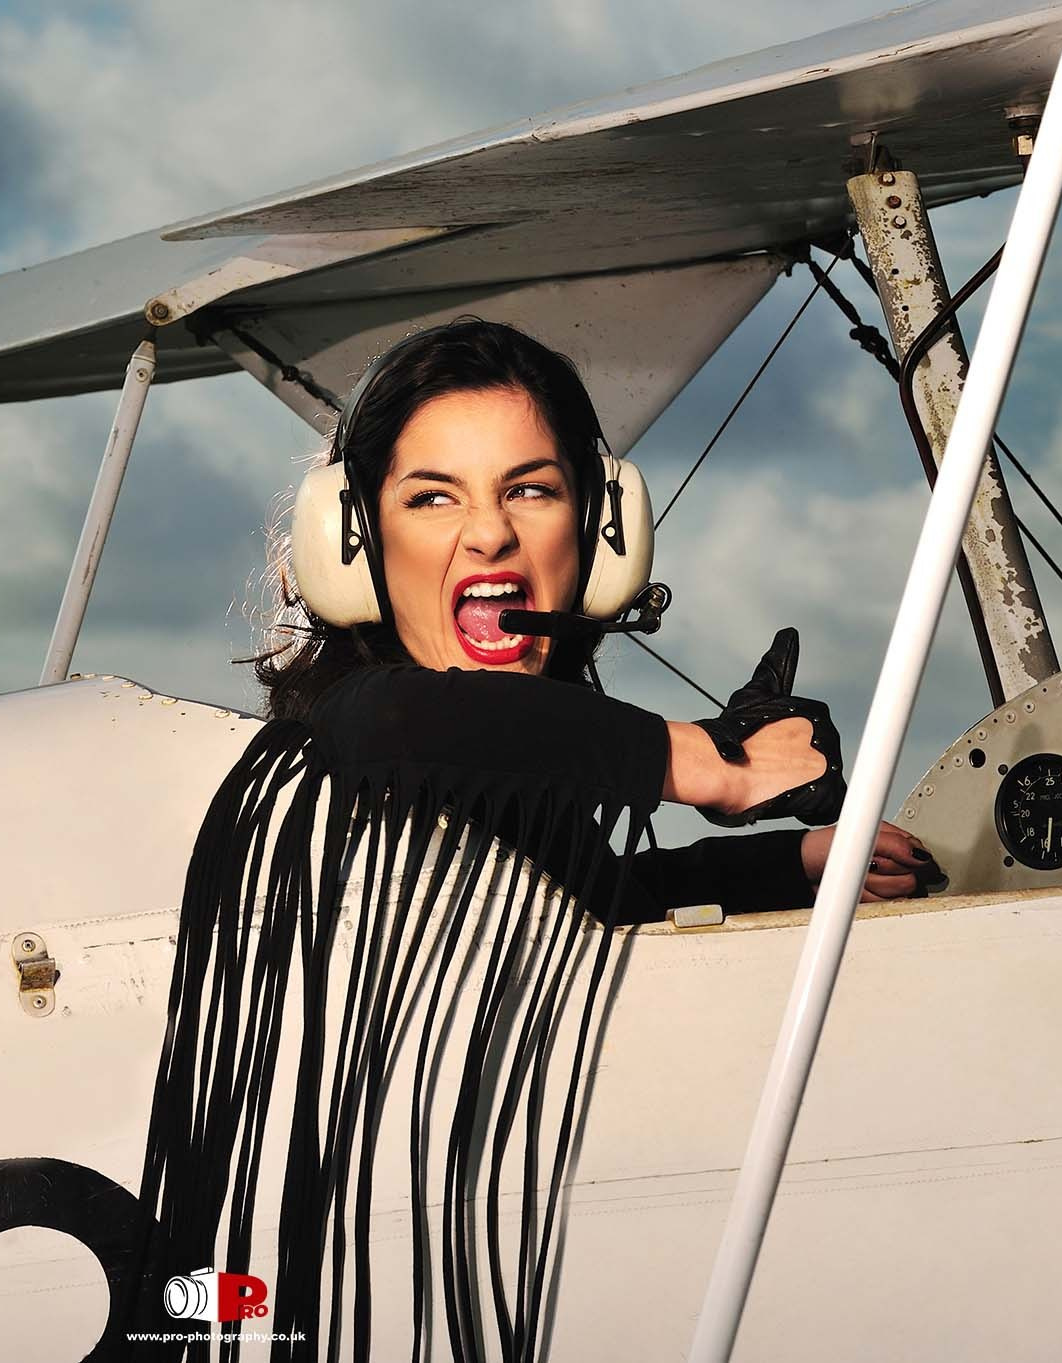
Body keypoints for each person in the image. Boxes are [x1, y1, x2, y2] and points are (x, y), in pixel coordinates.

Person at [133, 320, 935, 1360]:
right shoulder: (352, 733)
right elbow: (392, 719)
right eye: (432, 497)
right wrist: (708, 761)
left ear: (598, 532)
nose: (488, 536)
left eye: (530, 490)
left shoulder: (494, 792)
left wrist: (791, 861)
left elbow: (582, 897)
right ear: (354, 544)